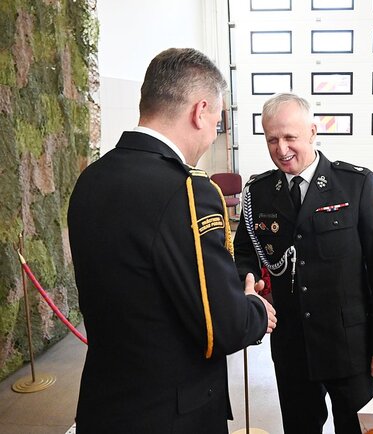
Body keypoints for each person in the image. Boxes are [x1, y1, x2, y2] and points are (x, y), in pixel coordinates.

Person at [67, 48, 276, 434]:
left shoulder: (91, 178)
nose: (213, 133)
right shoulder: (188, 191)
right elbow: (222, 326)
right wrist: (254, 308)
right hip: (173, 412)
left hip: (104, 402)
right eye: (217, 121)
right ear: (200, 112)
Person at [233, 92, 373, 434]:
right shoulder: (259, 192)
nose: (281, 149)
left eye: (290, 137)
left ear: (312, 132)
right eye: (272, 139)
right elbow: (246, 253)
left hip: (349, 345)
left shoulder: (355, 184)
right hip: (292, 345)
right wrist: (248, 286)